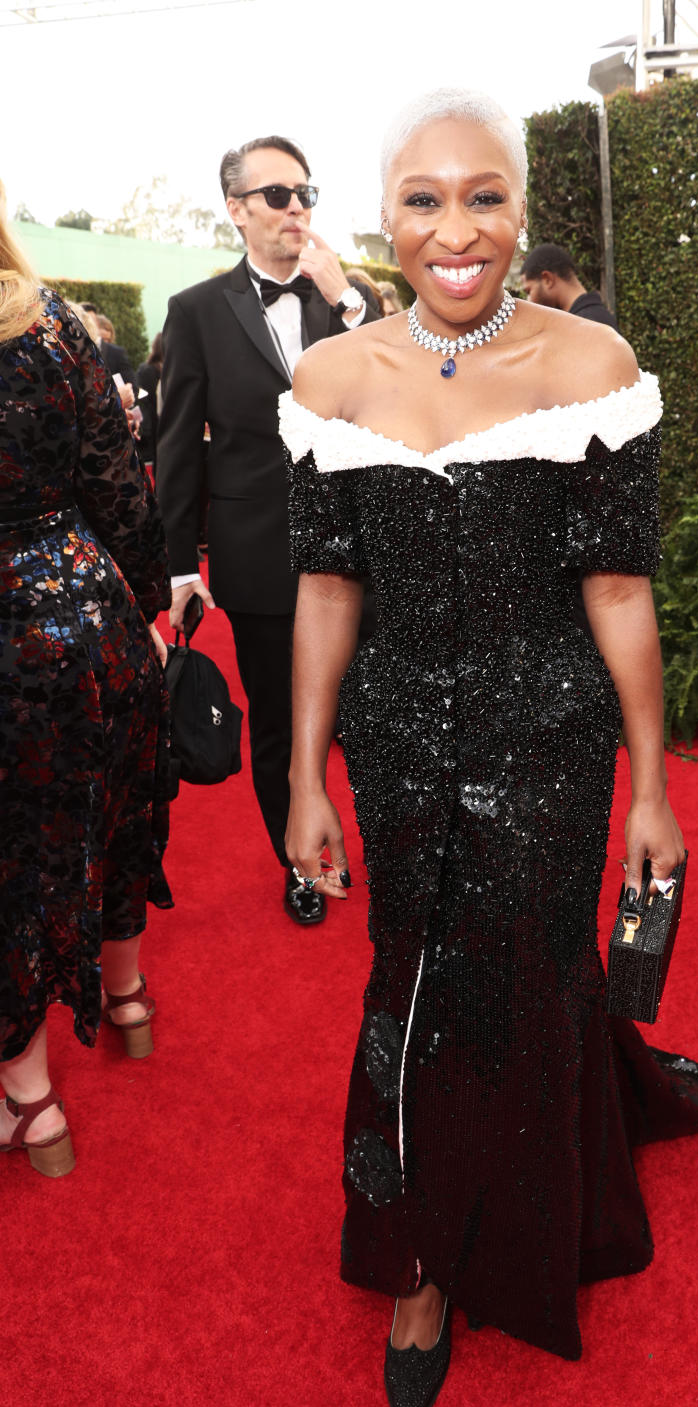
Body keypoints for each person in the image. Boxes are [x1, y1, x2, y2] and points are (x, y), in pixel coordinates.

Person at [282, 89, 698, 1407]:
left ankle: (504, 1242)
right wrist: (309, 772)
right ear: (385, 215)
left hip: (549, 734)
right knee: (413, 972)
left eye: (483, 195)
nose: (455, 228)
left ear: (521, 210)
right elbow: (325, 587)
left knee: (530, 968)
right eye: (424, 199)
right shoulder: (331, 380)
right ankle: (422, 1262)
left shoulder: (590, 364)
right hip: (396, 738)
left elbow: (618, 592)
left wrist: (651, 786)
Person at [156, 134, 380, 926]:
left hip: (364, 543)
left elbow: (393, 391)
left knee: (380, 707)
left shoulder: (349, 302)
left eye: (306, 193)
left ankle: (394, 850)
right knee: (283, 724)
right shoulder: (194, 314)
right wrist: (181, 568)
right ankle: (302, 859)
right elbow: (176, 447)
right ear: (237, 211)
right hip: (260, 556)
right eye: (279, 195)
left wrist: (349, 300)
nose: (297, 209)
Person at [0, 181, 171, 1176]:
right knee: (109, 811)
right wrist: (145, 608)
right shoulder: (57, 323)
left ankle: (33, 1104)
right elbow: (120, 484)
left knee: (15, 859)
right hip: (89, 609)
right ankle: (127, 999)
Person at [519, 242, 619, 329]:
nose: (529, 300)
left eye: (529, 291)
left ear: (547, 279)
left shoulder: (586, 325)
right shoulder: (595, 318)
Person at [136, 332, 164, 471]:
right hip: (153, 425)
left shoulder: (151, 369)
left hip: (157, 425)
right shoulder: (148, 370)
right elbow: (143, 400)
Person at [95, 312, 137, 388]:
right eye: (102, 339)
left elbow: (132, 386)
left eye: (108, 340)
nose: (105, 343)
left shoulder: (117, 354)